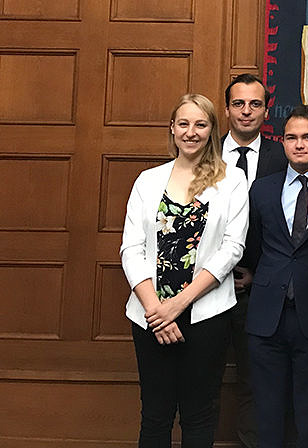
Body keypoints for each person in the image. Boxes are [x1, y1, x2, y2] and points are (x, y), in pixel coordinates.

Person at [120, 93, 249, 448]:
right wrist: (156, 312)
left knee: (199, 415)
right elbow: (130, 249)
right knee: (155, 415)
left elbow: (231, 249)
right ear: (172, 129)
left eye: (200, 124)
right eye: (184, 124)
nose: (191, 132)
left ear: (212, 130)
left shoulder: (233, 180)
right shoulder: (147, 181)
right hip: (150, 317)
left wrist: (178, 304)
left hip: (206, 316)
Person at [246, 105, 308, 448]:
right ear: (282, 142)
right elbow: (254, 245)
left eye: (307, 137)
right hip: (266, 315)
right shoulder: (262, 189)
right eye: (292, 138)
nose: (299, 144)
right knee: (267, 412)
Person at [221, 73, 288, 448]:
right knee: (204, 379)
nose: (247, 112)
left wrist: (257, 275)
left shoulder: (283, 156)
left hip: (263, 290)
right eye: (238, 104)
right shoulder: (205, 152)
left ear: (266, 109)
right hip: (206, 290)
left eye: (255, 104)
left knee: (255, 381)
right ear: (227, 108)